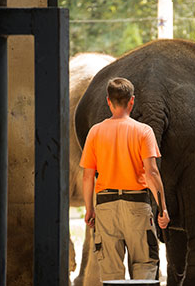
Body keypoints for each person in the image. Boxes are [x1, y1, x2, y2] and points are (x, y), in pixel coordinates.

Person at [79, 77, 170, 281]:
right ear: (132, 101)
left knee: (111, 274)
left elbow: (87, 176)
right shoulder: (143, 131)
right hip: (137, 206)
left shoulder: (95, 132)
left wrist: (90, 209)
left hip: (106, 207)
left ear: (108, 102)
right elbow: (152, 173)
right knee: (145, 267)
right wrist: (162, 209)